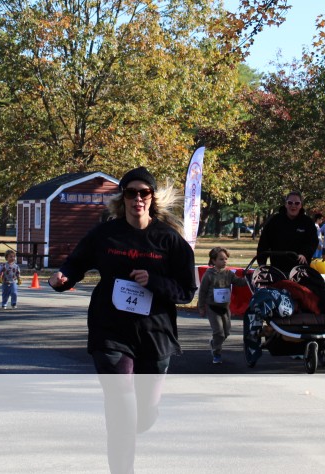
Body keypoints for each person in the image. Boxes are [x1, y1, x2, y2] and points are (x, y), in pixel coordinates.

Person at [48, 167, 195, 474]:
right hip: (110, 329)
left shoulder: (169, 240)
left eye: (144, 193)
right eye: (131, 192)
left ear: (152, 198)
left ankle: (142, 416)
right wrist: (62, 278)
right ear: (123, 197)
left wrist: (153, 281)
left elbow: (186, 291)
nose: (137, 198)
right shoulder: (105, 234)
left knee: (142, 416)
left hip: (154, 333)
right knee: (121, 404)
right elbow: (76, 263)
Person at [197, 246, 249, 364]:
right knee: (219, 333)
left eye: (226, 259)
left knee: (226, 332)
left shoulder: (228, 273)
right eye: (221, 259)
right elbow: (202, 292)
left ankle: (214, 342)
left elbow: (239, 282)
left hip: (225, 308)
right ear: (213, 260)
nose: (224, 261)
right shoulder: (209, 274)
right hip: (212, 308)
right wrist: (201, 307)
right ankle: (216, 353)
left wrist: (249, 279)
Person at [255, 191, 318, 277]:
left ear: (300, 205)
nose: (293, 206)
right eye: (290, 203)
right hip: (277, 269)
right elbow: (263, 243)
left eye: (297, 203)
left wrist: (304, 254)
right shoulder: (275, 221)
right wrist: (262, 264)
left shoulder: (307, 222)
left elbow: (313, 242)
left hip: (299, 270)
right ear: (286, 204)